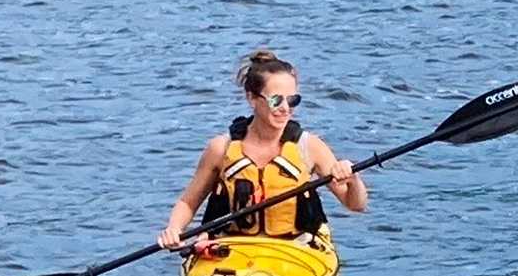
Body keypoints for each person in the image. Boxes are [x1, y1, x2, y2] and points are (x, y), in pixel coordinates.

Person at [157, 49, 367, 249]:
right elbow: (187, 202)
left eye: (293, 100)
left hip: (295, 248)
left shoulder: (309, 147)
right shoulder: (221, 149)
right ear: (252, 98)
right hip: (234, 247)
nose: (285, 108)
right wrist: (174, 229)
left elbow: (355, 204)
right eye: (276, 100)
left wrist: (352, 178)